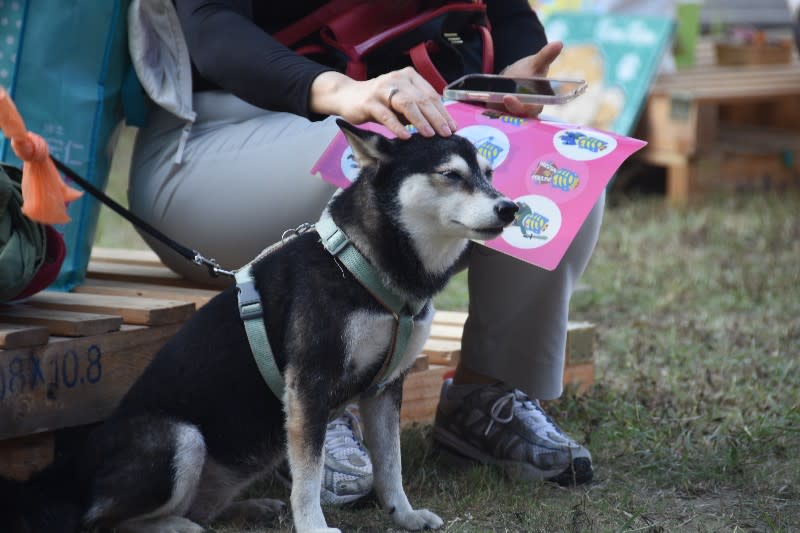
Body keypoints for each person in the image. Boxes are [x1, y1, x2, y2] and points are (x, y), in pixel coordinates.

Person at [127, 0, 604, 504]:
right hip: (217, 139)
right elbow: (211, 28)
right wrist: (341, 91)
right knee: (367, 174)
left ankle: (487, 396)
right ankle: (319, 407)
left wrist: (512, 73)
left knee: (560, 180)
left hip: (408, 121)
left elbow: (505, 12)